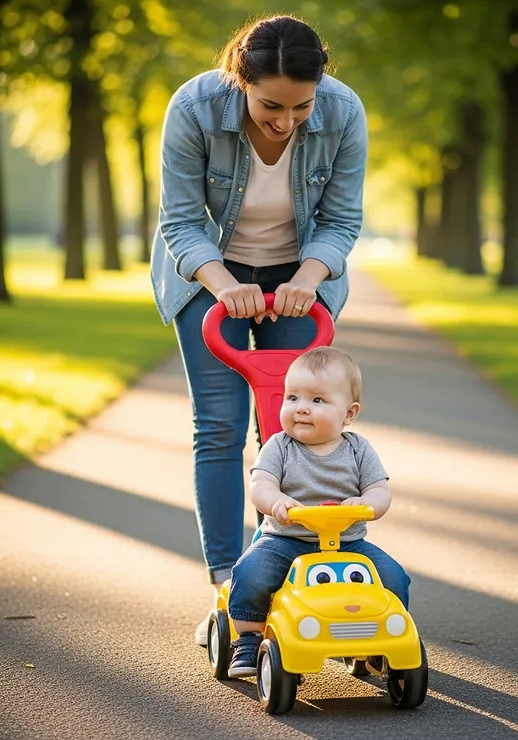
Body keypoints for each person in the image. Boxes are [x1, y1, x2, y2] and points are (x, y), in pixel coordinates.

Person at [150, 14, 369, 646]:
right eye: (271, 104)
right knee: (218, 425)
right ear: (240, 81)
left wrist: (309, 275)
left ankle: (283, 582)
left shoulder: (343, 111)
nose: (285, 121)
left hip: (301, 275)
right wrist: (227, 285)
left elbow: (342, 217)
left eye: (301, 107)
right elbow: (183, 218)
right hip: (208, 274)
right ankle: (228, 588)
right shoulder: (194, 107)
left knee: (290, 427)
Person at [225, 346, 410, 677]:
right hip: (286, 540)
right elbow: (260, 485)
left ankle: (381, 638)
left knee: (394, 577)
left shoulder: (358, 449)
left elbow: (380, 489)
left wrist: (368, 505)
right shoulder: (279, 446)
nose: (301, 409)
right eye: (292, 398)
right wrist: (276, 502)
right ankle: (248, 639)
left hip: (347, 544)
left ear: (349, 413)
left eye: (317, 401)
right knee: (250, 572)